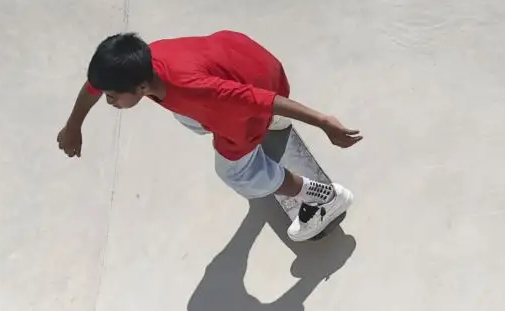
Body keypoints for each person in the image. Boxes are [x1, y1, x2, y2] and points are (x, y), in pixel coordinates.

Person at [56, 31, 360, 243]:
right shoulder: (143, 59)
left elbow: (257, 99)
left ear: (140, 88)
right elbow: (94, 85)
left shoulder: (195, 89)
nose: (109, 101)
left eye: (112, 96)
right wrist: (74, 125)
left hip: (253, 101)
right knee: (186, 115)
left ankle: (323, 197)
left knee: (235, 172)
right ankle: (274, 123)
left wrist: (323, 122)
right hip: (256, 62)